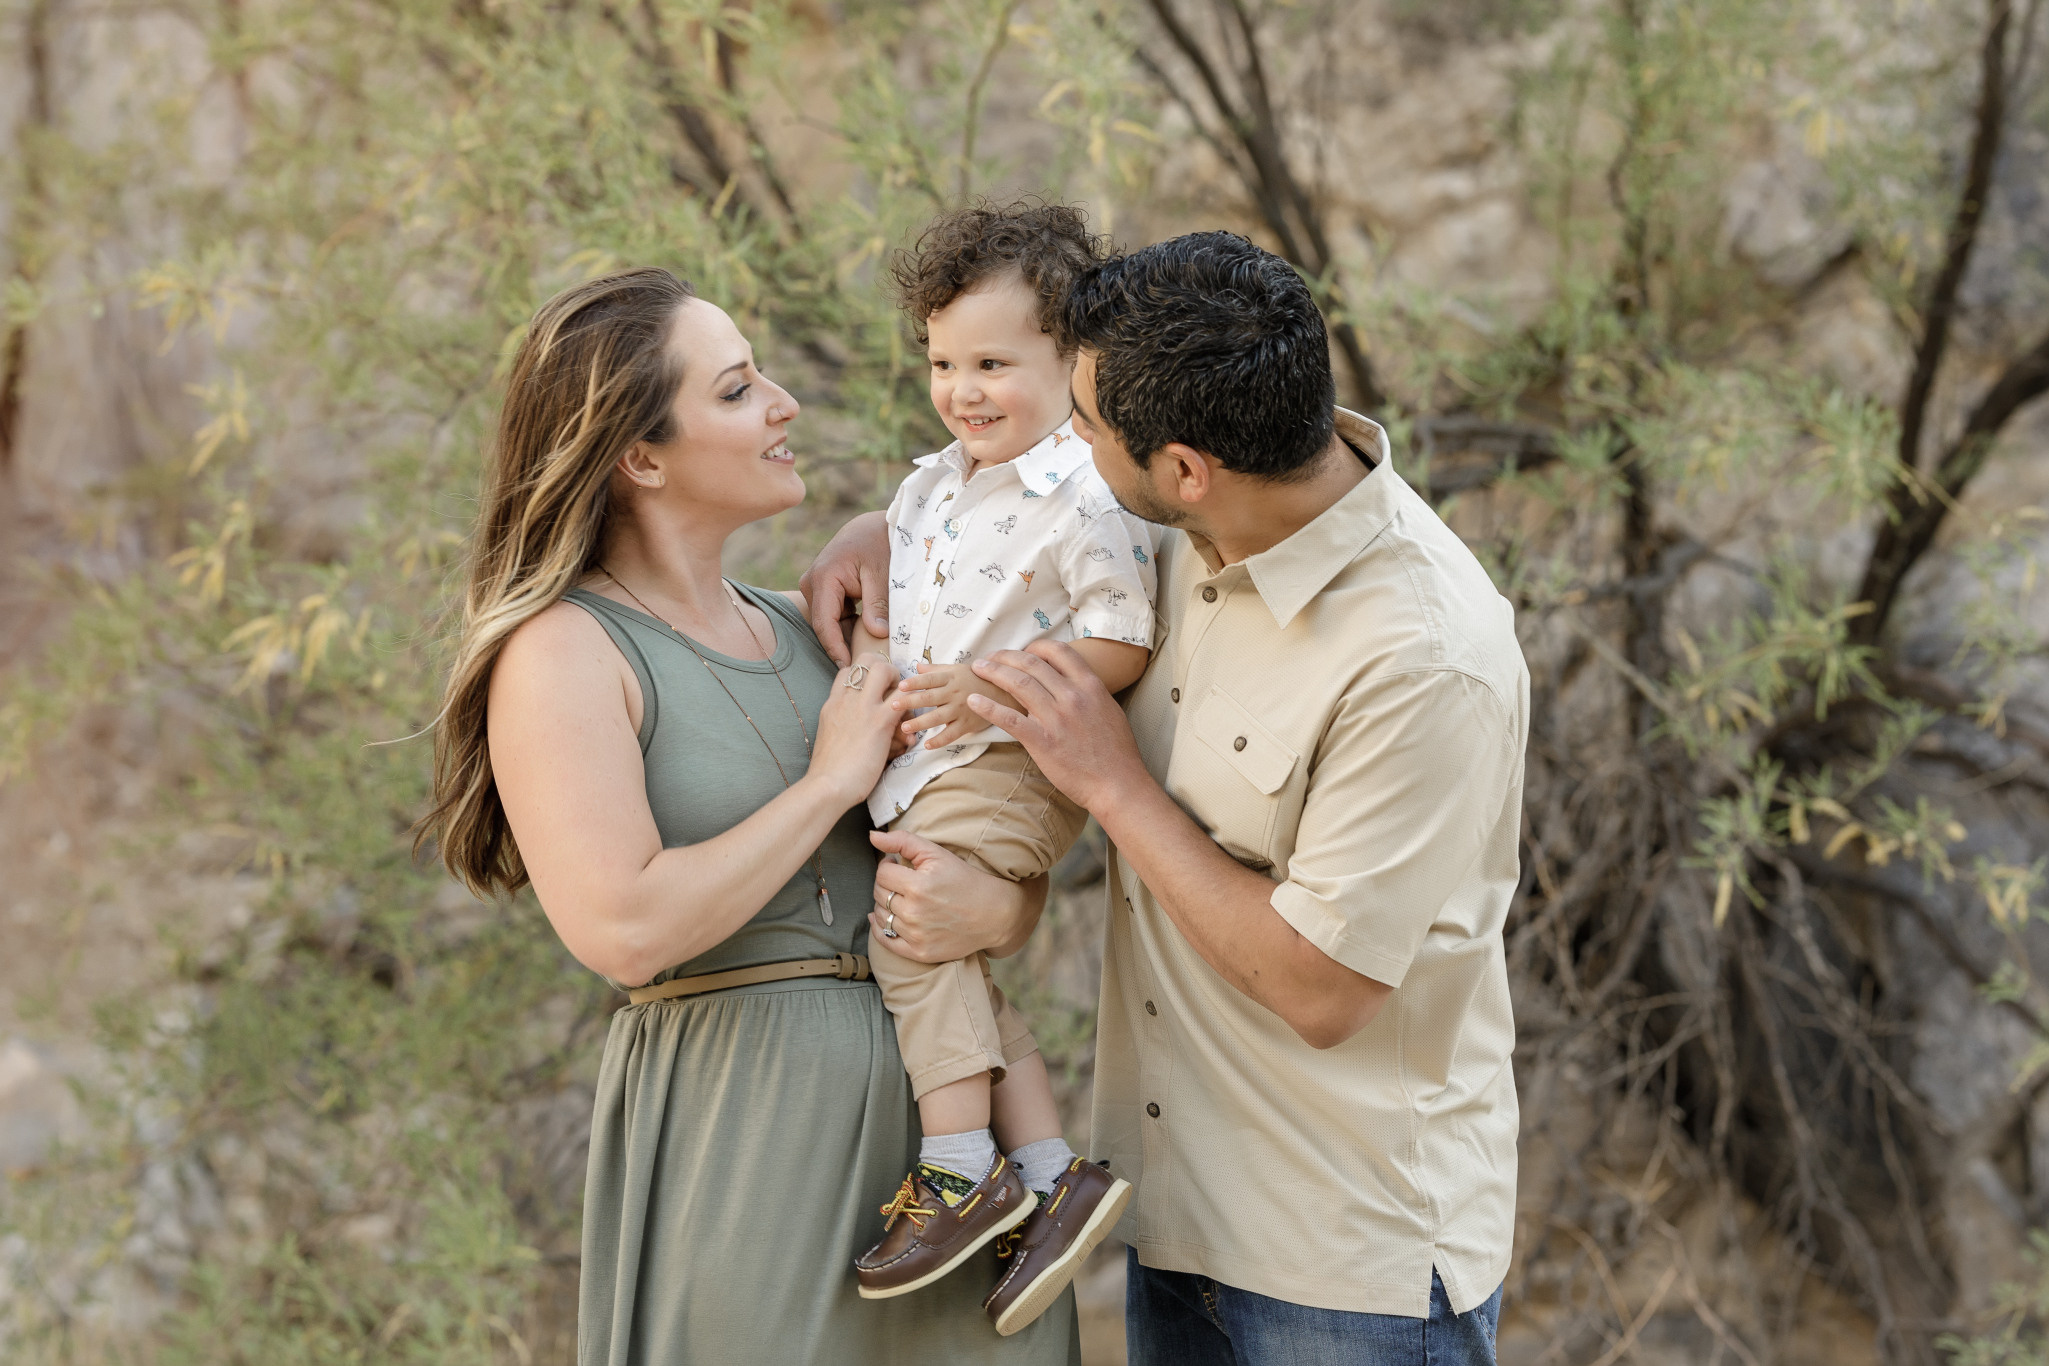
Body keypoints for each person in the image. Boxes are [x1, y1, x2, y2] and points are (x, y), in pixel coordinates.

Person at [802, 233, 1526, 1365]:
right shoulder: (1173, 521)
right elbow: (1014, 520)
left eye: (1083, 429)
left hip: (1343, 1267)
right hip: (1171, 1211)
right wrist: (888, 532)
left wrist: (1111, 779)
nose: (1067, 449)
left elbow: (1323, 986)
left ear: (1183, 467)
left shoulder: (1423, 664)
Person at [421, 267, 1080, 1365]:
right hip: (751, 1146)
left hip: (953, 1166)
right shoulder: (562, 653)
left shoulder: (823, 624)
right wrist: (826, 783)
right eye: (737, 391)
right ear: (640, 456)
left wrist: (998, 907)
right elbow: (622, 928)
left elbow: (980, 845)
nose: (786, 404)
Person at [848, 203, 1142, 1335]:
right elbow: (911, 594)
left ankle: (964, 1169)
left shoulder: (1082, 489)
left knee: (911, 927)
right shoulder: (933, 484)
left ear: (1073, 361)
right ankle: (1057, 1172)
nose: (964, 388)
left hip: (1013, 757)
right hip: (941, 758)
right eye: (942, 362)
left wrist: (995, 686)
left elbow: (1124, 635)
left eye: (994, 363)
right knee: (951, 953)